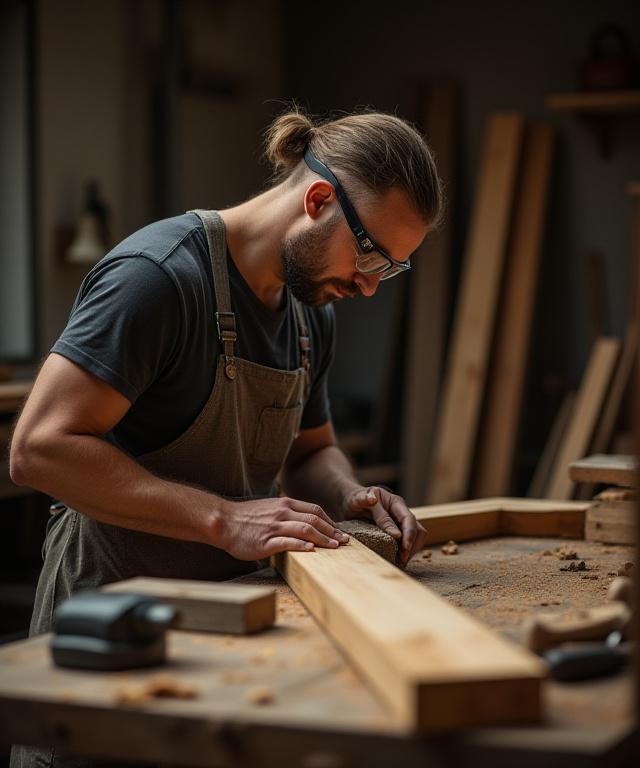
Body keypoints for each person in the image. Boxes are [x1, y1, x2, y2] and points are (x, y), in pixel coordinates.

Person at [10, 107, 442, 642]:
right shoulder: (158, 278)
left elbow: (309, 454)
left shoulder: (312, 317)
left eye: (389, 269)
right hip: (110, 616)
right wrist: (224, 519)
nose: (370, 285)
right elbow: (38, 450)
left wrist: (349, 494)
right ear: (318, 201)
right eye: (370, 255)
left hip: (237, 614)